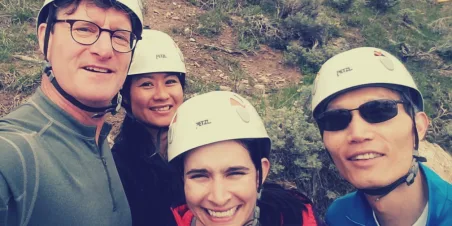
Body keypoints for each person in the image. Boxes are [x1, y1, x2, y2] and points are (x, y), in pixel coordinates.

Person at [0, 0, 143, 225]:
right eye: (84, 29)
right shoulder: (13, 155)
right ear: (45, 37)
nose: (104, 50)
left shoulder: (97, 138)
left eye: (120, 36)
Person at [311, 47, 452, 226]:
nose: (358, 134)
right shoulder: (340, 216)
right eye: (335, 120)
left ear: (419, 126)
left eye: (380, 111)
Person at [167, 91, 322, 226]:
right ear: (183, 179)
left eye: (235, 173)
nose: (219, 198)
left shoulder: (295, 220)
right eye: (200, 176)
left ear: (260, 172)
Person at [112, 28, 186, 226]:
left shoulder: (201, 146)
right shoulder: (120, 168)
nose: (162, 95)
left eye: (170, 81)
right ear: (125, 96)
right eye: (146, 84)